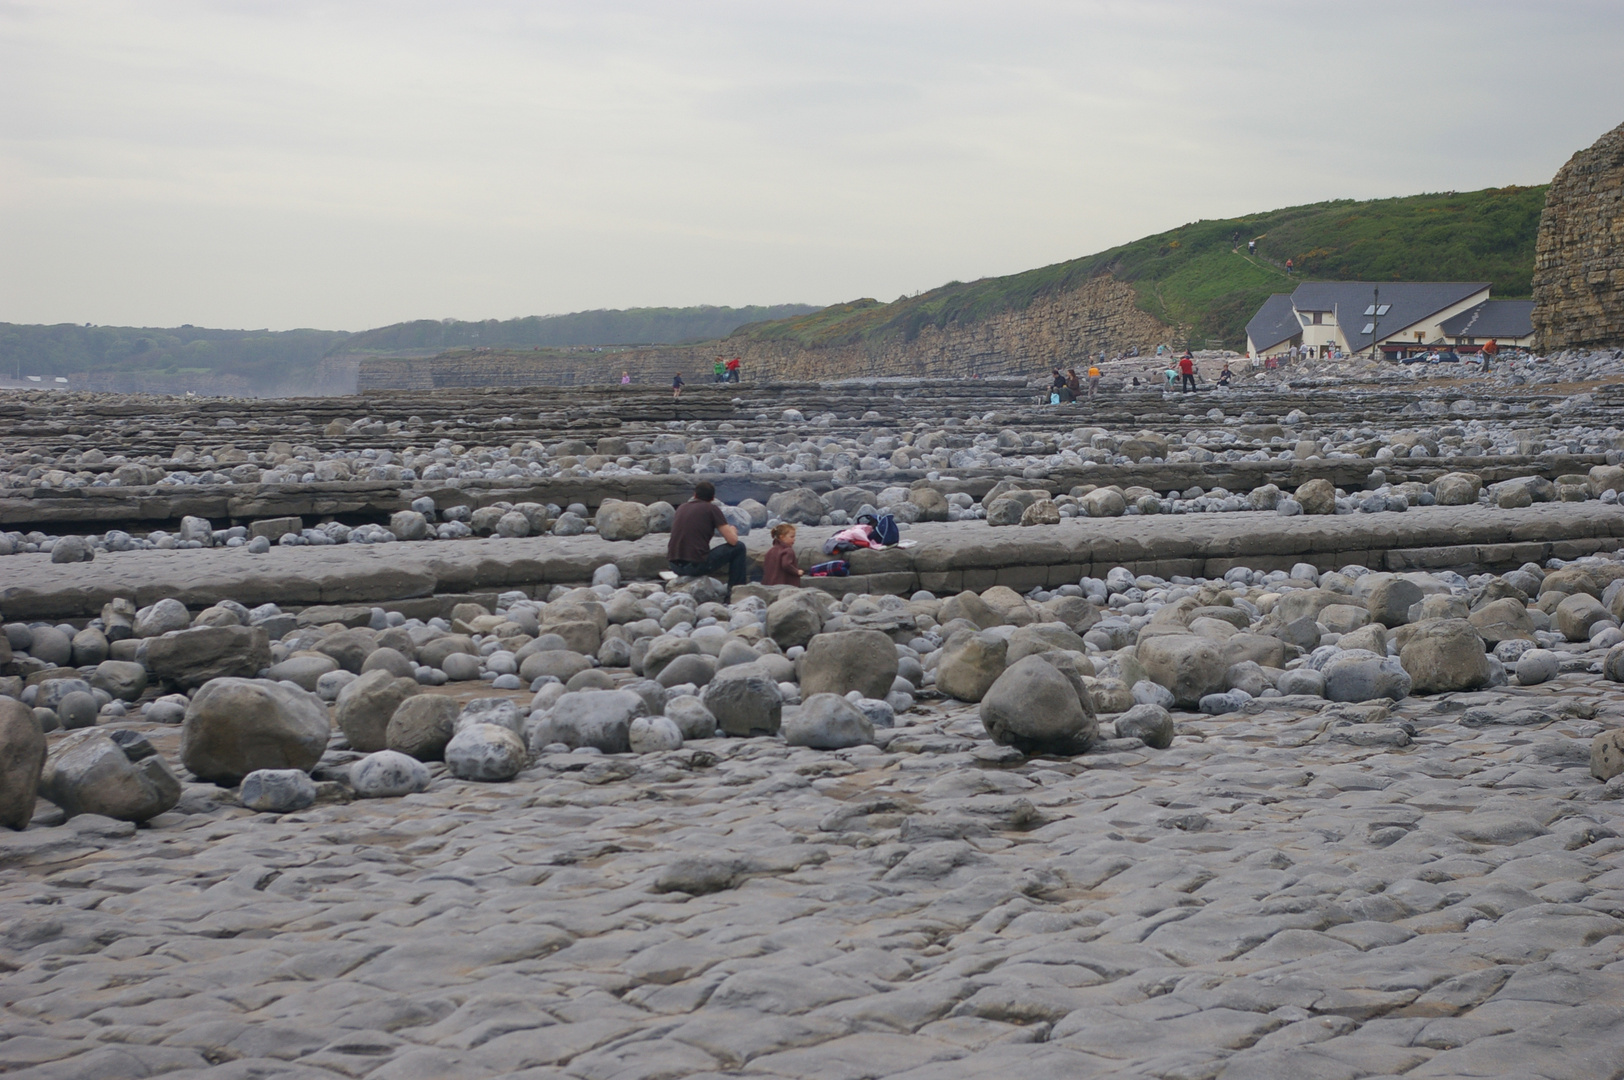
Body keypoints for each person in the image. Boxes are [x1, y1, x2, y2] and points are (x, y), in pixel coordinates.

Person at [666, 481, 747, 597]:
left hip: (674, 565)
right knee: (739, 547)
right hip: (695, 566)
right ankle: (735, 592)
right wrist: (733, 530)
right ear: (713, 498)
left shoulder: (681, 507)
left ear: (694, 495)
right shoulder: (711, 509)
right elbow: (732, 541)